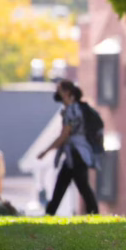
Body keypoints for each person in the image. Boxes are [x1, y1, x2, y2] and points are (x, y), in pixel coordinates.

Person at [39, 80, 100, 216]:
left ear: (67, 93)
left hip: (76, 154)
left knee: (81, 185)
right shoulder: (75, 109)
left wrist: (46, 151)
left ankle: (94, 212)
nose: (58, 94)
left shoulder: (72, 111)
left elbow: (64, 135)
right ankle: (50, 212)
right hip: (74, 154)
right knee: (64, 182)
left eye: (60, 90)